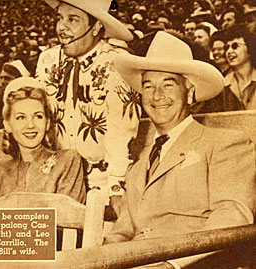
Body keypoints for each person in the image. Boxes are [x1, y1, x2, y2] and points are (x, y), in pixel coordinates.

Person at [104, 31, 256, 269]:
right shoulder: (138, 163)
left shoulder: (226, 144)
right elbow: (122, 233)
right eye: (148, 86)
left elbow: (231, 218)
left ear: (190, 92)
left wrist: (172, 265)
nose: (157, 96)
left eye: (168, 84)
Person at [35, 0, 141, 212]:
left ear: (96, 27)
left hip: (101, 184)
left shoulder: (118, 63)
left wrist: (116, 190)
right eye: (59, 18)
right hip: (56, 182)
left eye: (72, 19)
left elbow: (121, 133)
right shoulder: (47, 60)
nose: (61, 27)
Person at [0, 77, 86, 204]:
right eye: (21, 117)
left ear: (47, 123)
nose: (30, 125)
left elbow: (70, 218)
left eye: (38, 116)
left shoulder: (67, 161)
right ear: (8, 125)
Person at [223, 23, 256, 110]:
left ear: (250, 48)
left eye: (235, 46)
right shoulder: (222, 85)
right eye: (226, 47)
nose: (229, 51)